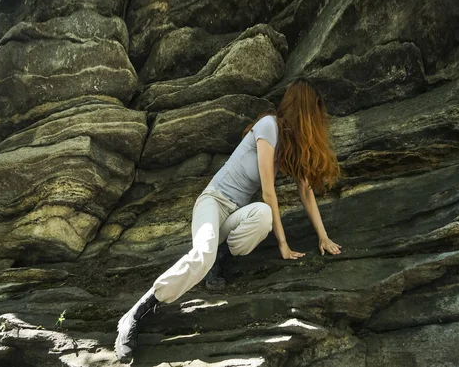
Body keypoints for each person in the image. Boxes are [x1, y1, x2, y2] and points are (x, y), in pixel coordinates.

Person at [115, 79, 342, 362]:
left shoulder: (291, 145)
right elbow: (270, 192)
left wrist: (323, 236)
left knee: (261, 216)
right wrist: (283, 245)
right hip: (213, 201)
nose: (317, 121)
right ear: (303, 109)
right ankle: (137, 312)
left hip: (235, 214)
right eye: (315, 112)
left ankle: (223, 253)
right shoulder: (269, 126)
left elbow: (306, 192)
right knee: (202, 255)